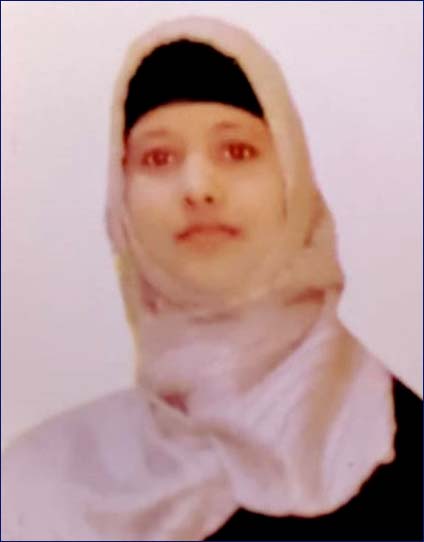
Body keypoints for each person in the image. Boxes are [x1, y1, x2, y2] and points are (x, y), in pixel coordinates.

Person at [2, 16, 422, 541]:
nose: (198, 187)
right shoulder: (40, 483)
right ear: (122, 202)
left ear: (293, 184)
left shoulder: (398, 453)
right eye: (158, 157)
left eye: (237, 151)